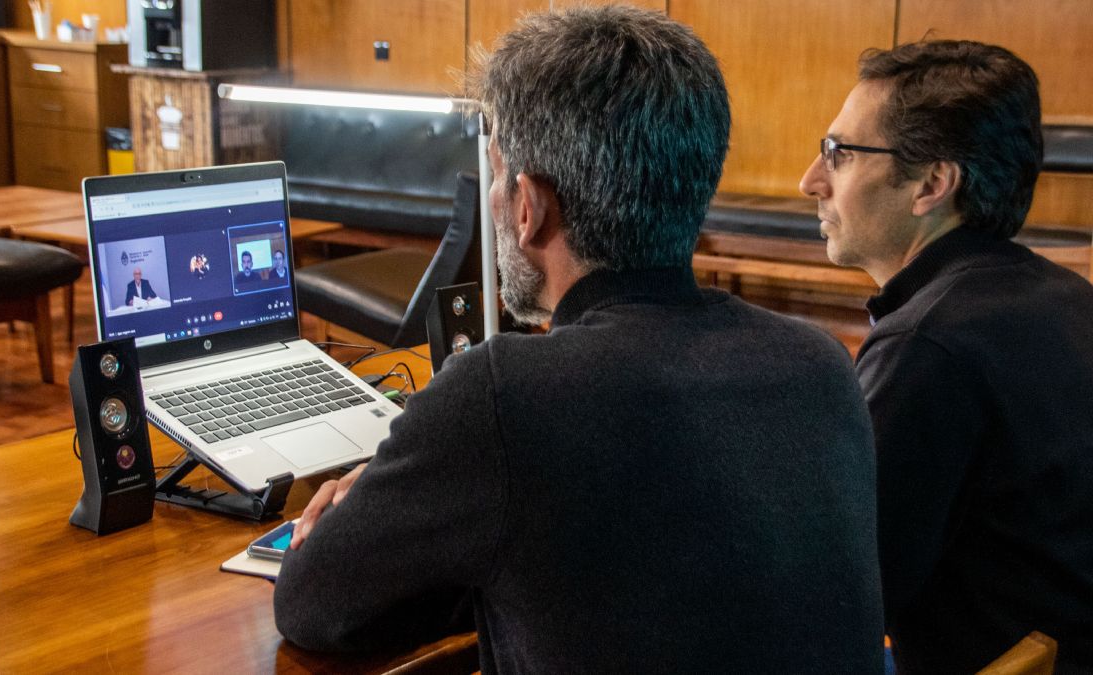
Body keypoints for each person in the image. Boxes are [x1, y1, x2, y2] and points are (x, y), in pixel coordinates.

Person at [276, 6, 883, 672]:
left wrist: (398, 514)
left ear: (528, 207)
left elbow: (311, 605)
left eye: (496, 174)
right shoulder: (819, 364)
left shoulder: (503, 396)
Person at [800, 40, 1093, 673]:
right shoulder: (1070, 296)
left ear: (932, 184)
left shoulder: (929, 344)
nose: (811, 181)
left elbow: (841, 599)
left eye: (839, 153)